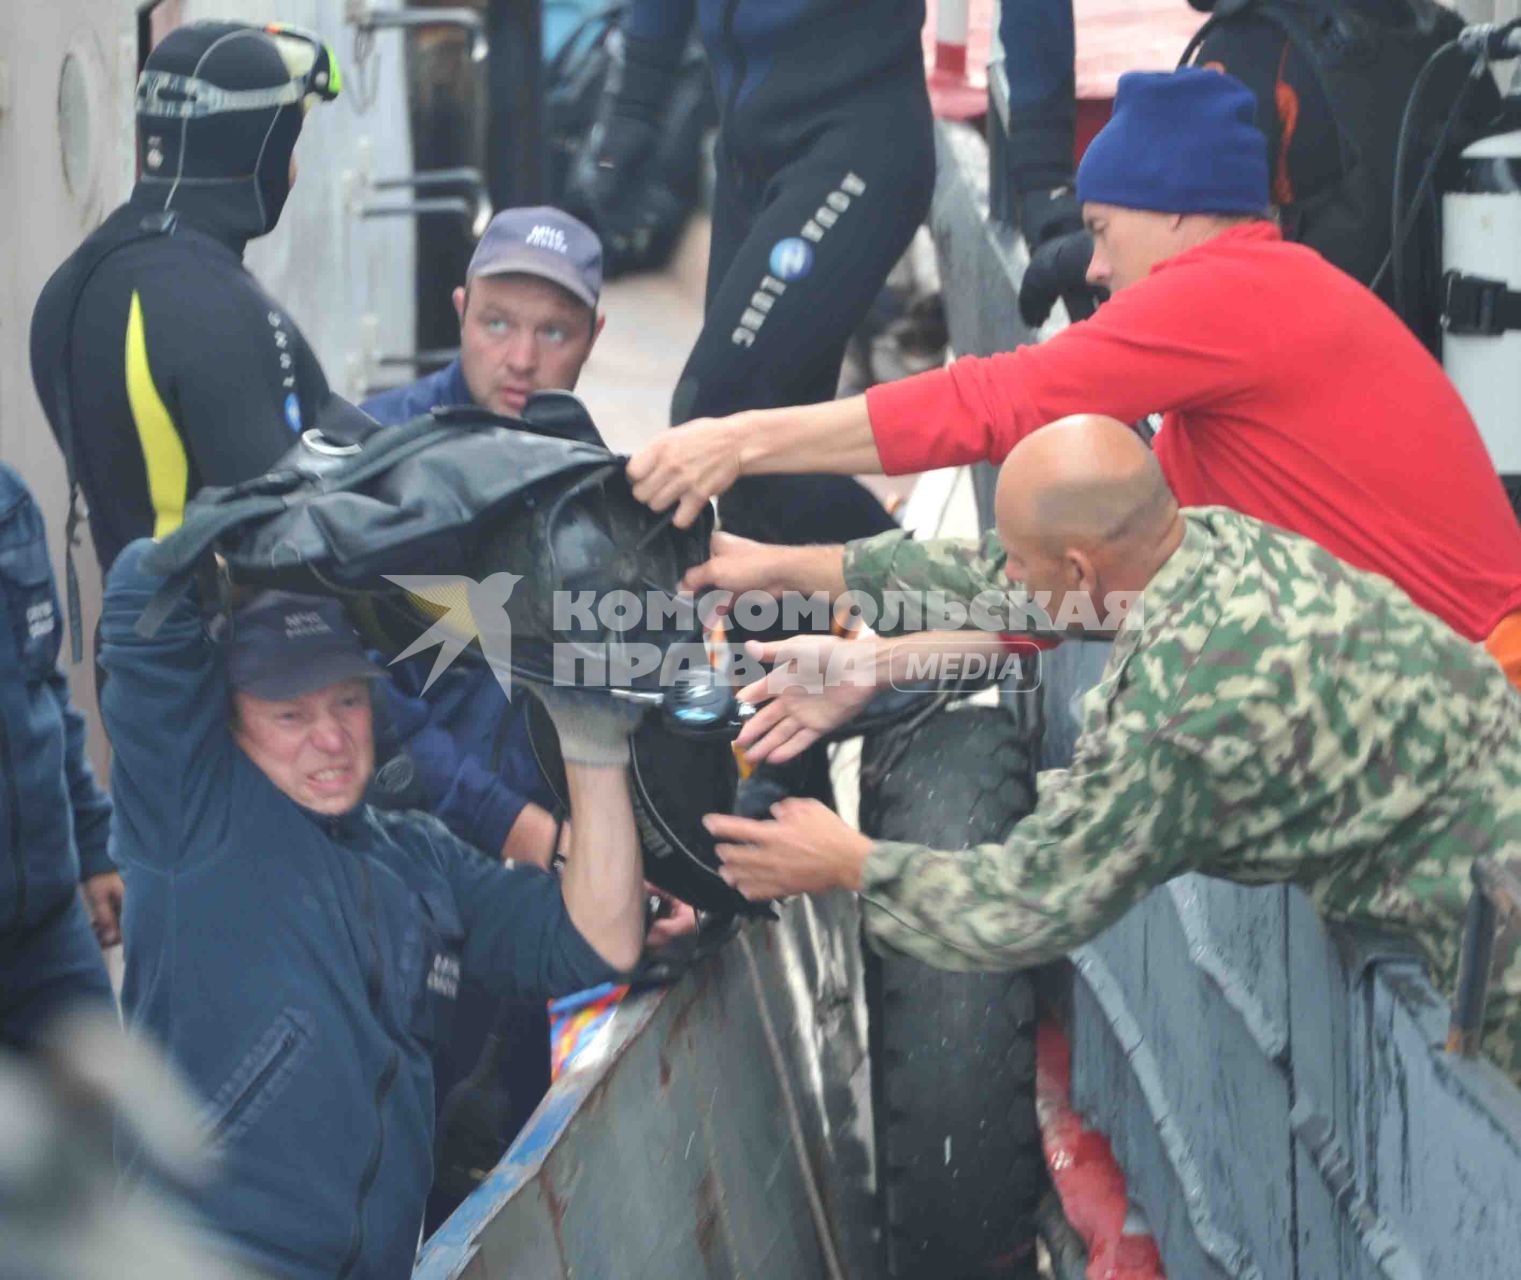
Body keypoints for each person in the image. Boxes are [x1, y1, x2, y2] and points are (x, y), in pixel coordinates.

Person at [629, 67, 1521, 686]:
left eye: (1099, 228)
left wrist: (736, 436)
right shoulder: (1220, 375)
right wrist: (817, 602)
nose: (1091, 266)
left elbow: (994, 402)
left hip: (1484, 701)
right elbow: (1071, 591)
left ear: (1173, 208)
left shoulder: (1236, 294)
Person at [705, 415, 1521, 1077]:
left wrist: (846, 862)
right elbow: (995, 575)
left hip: (1494, 956)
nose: (1008, 585)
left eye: (1026, 569)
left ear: (1080, 572)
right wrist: (791, 569)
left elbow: (1026, 905)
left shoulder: (1177, 713)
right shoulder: (1211, 540)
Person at [98, 537, 646, 1277]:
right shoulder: (192, 824)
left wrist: (590, 735)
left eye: (346, 701)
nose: (329, 738)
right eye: (289, 714)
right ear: (229, 722)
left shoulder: (419, 857)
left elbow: (596, 940)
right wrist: (233, 523)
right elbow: (139, 601)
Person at [577, 0, 927, 549]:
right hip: (748, 160)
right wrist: (632, 116)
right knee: (755, 464)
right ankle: (776, 636)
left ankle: (954, 604)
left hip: (856, 147)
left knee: (721, 413)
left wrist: (1038, 170)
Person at [29, 21, 340, 577]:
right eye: (288, 146)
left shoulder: (68, 287)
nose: (293, 173)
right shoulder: (216, 308)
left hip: (131, 653)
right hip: (220, 654)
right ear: (257, 147)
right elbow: (293, 547)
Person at [0, 466, 115, 1049]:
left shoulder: (9, 502)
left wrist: (96, 848)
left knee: (114, 1130)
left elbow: (45, 687)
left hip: (47, 931)